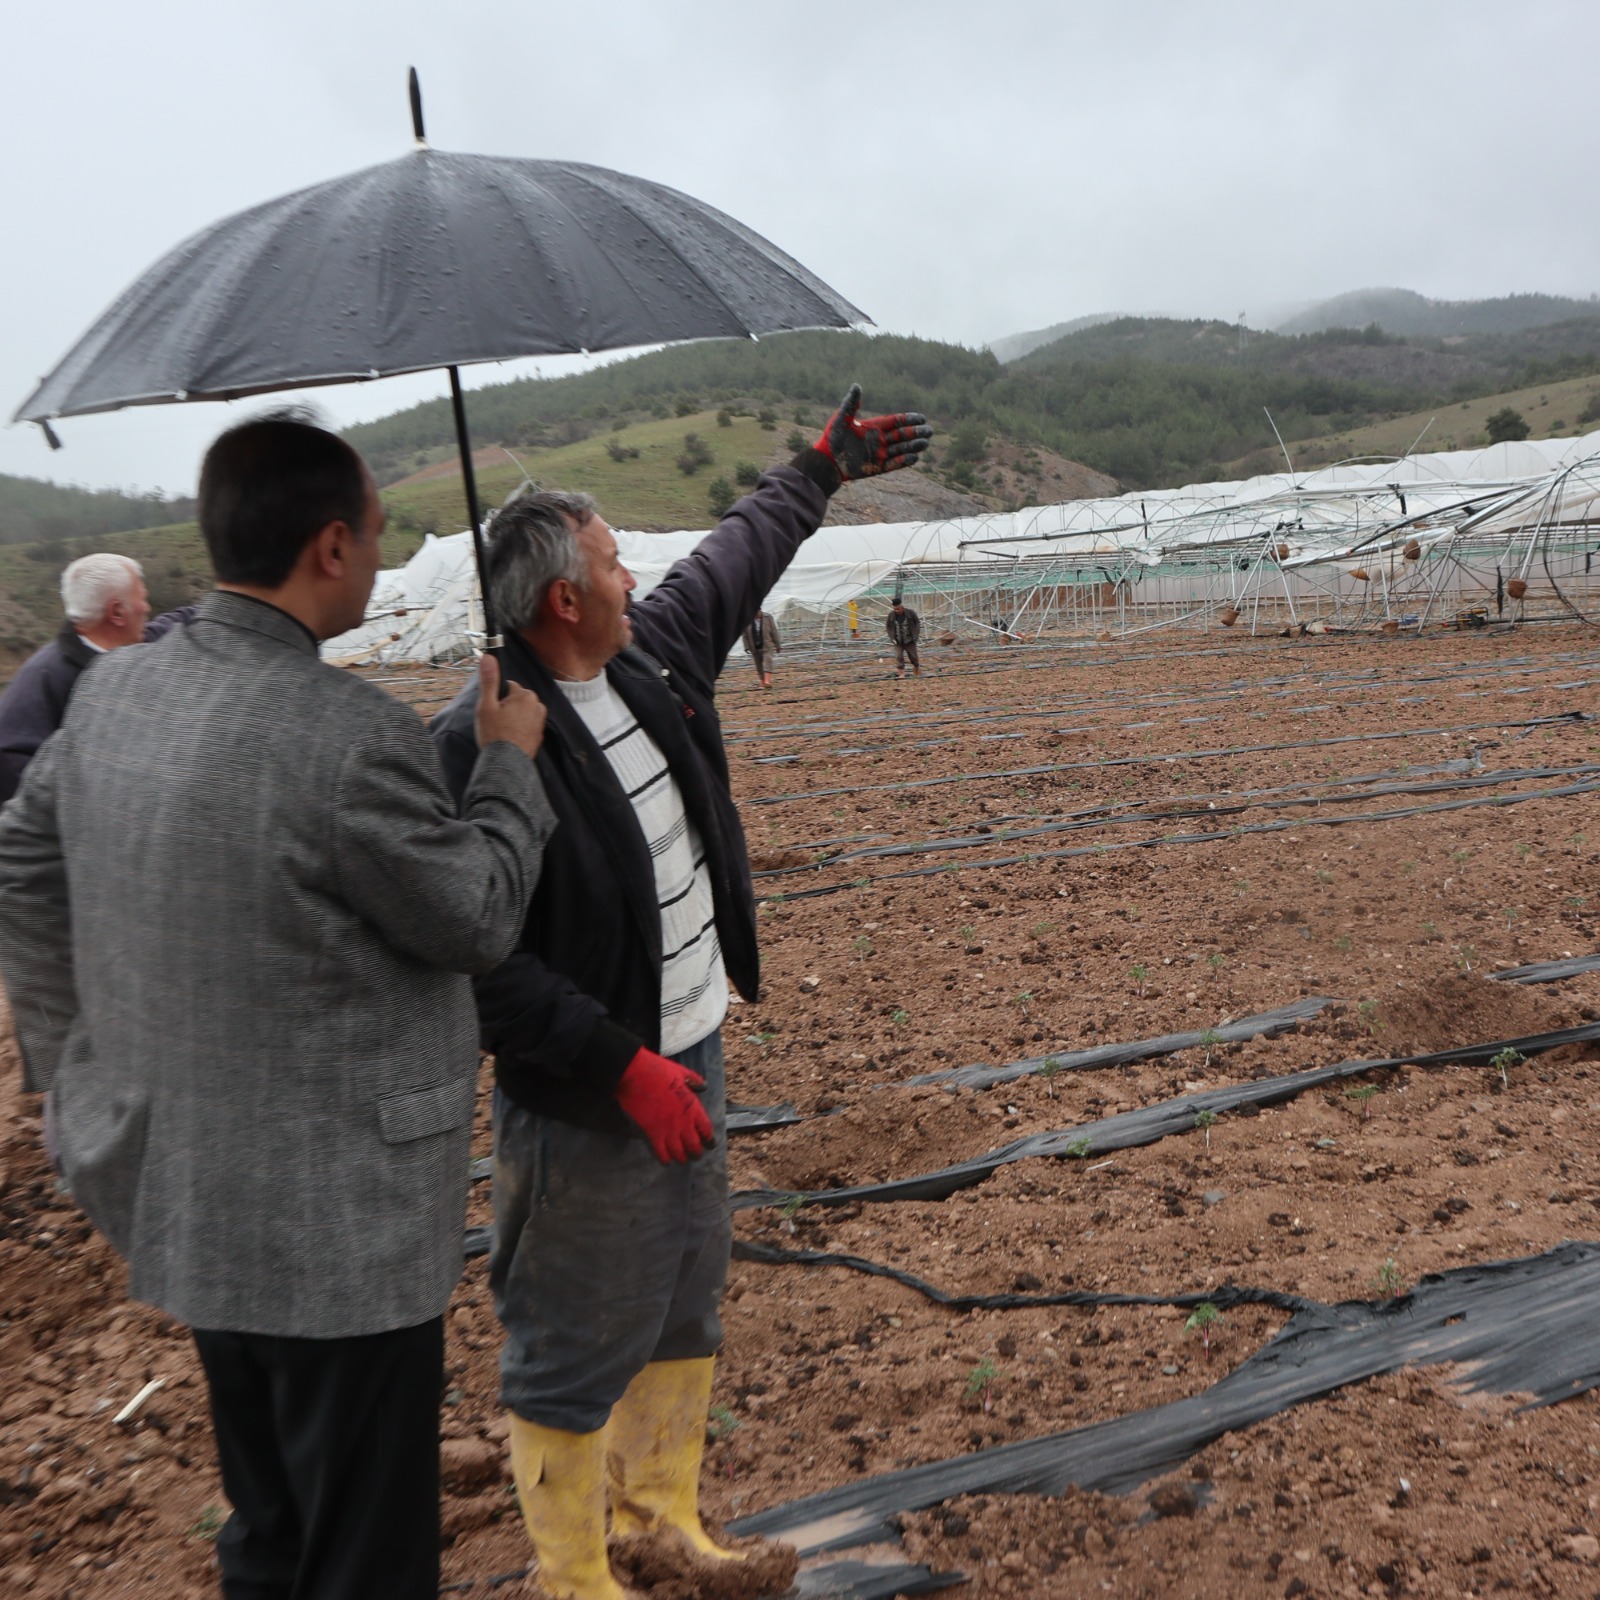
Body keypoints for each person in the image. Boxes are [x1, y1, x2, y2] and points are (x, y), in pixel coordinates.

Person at [0, 414, 556, 1600]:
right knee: (366, 1551)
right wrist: (508, 762)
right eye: (371, 526)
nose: (377, 542)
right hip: (339, 1228)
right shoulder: (346, 736)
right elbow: (474, 919)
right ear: (331, 549)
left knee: (269, 1524)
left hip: (184, 1188)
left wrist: (65, 1062)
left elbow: (23, 863)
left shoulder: (115, 695)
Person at [431, 384, 930, 1600]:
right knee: (571, 1325)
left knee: (681, 1294)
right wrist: (618, 1065)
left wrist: (813, 473)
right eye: (611, 561)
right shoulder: (483, 740)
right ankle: (576, 1574)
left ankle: (663, 1518)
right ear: (562, 598)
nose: (633, 573)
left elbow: (731, 559)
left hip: (694, 1044)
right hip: (592, 1093)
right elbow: (482, 963)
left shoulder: (647, 657)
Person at [0, 553, 194, 802]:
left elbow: (171, 625)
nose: (147, 608)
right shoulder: (46, 678)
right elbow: (11, 764)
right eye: (142, 599)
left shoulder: (126, 645)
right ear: (116, 613)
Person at [741, 608, 780, 688]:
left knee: (767, 661)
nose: (756, 615)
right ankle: (763, 681)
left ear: (760, 610)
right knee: (759, 665)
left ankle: (767, 681)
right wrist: (746, 647)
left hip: (767, 645)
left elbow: (774, 631)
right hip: (754, 646)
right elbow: (745, 635)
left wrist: (777, 645)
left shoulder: (768, 617)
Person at [886, 597, 922, 678]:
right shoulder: (891, 615)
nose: (897, 611)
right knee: (899, 656)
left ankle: (916, 668)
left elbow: (917, 622)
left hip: (910, 640)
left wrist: (916, 634)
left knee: (913, 657)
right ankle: (901, 673)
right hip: (898, 641)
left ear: (902, 607)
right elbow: (888, 626)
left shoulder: (910, 613)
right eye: (895, 609)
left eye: (898, 609)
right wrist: (892, 637)